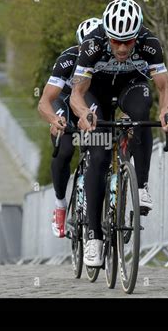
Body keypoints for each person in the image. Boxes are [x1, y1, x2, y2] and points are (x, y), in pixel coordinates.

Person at [70, 0, 168, 266]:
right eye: (116, 41)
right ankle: (94, 236)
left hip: (132, 85)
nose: (121, 47)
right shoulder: (92, 44)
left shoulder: (150, 43)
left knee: (141, 117)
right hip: (97, 92)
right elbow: (76, 94)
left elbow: (164, 89)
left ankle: (140, 185)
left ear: (137, 36)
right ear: (106, 34)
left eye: (128, 41)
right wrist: (84, 114)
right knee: (99, 156)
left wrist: (167, 113)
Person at [37, 17, 102, 238]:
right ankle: (60, 204)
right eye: (85, 49)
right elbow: (44, 101)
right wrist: (54, 120)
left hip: (88, 103)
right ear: (78, 46)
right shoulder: (68, 58)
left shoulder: (109, 59)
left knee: (101, 140)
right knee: (64, 148)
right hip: (63, 102)